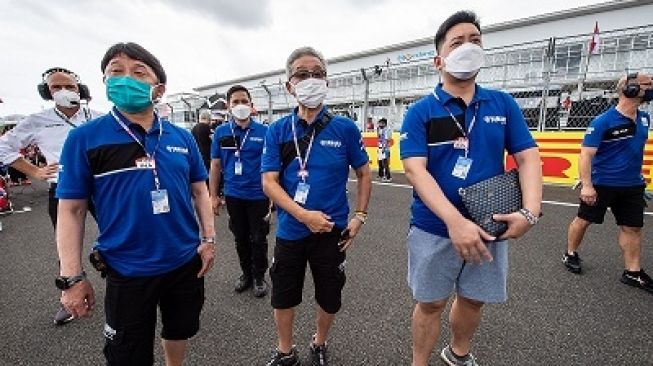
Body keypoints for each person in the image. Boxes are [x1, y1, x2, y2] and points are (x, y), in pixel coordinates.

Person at [55, 42, 216, 365]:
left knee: (179, 329)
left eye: (138, 72)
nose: (125, 78)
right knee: (127, 353)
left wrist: (209, 240)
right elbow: (71, 211)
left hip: (185, 262)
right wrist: (71, 277)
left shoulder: (181, 137)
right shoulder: (84, 138)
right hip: (127, 268)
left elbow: (200, 190)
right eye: (116, 71)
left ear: (158, 89)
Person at [400, 11, 542, 366]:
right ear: (439, 59)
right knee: (430, 302)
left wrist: (531, 212)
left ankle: (458, 353)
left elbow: (528, 158)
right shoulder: (420, 112)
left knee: (474, 299)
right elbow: (415, 171)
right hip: (434, 228)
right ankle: (419, 362)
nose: (469, 47)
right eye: (458, 42)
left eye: (475, 40)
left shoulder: (503, 104)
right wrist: (453, 221)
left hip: (490, 226)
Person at [261, 46, 371, 366]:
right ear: (288, 85)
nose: (311, 80)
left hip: (332, 230)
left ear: (328, 82)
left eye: (318, 74)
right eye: (302, 74)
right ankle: (286, 350)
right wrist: (302, 215)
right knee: (283, 294)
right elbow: (269, 182)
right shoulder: (278, 130)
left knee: (330, 296)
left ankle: (319, 342)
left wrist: (360, 217)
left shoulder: (345, 128)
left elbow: (364, 173)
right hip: (292, 229)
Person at [0, 67, 101, 325]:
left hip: (101, 186)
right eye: (56, 87)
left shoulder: (97, 116)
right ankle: (70, 295)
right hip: (63, 188)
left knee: (117, 232)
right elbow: (3, 147)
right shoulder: (37, 120)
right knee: (65, 244)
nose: (64, 91)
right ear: (47, 92)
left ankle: (126, 280)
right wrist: (35, 171)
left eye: (70, 86)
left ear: (81, 91)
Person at [563, 72, 653, 293]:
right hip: (602, 183)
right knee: (584, 220)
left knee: (632, 227)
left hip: (632, 185)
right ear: (629, 89)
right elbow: (586, 154)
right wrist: (587, 185)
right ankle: (570, 253)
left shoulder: (644, 118)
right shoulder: (603, 121)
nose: (651, 87)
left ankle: (632, 272)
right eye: (647, 84)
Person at [209, 84, 270, 298]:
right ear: (228, 106)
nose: (240, 105)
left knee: (259, 238)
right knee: (240, 238)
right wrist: (213, 196)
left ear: (251, 105)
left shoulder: (264, 131)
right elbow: (215, 166)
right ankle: (246, 273)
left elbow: (273, 166)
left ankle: (260, 276)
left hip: (259, 196)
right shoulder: (221, 132)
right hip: (233, 196)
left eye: (244, 101)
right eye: (235, 102)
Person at [191, 109, 213, 175]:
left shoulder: (193, 128)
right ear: (208, 119)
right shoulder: (207, 128)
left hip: (197, 156)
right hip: (207, 157)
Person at [376, 118, 392, 182]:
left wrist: (383, 148)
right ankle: (381, 175)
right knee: (380, 162)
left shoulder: (387, 130)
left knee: (385, 163)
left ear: (384, 123)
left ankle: (388, 176)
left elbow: (386, 140)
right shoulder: (380, 129)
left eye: (381, 123)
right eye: (379, 123)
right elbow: (379, 138)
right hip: (380, 147)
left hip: (385, 148)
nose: (379, 124)